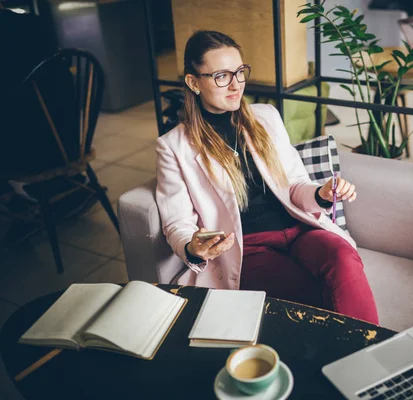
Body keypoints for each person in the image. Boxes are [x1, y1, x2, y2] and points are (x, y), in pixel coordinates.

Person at [155, 30, 379, 324]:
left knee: (343, 258)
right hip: (249, 246)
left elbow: (296, 185)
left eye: (239, 72)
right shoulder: (173, 146)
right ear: (194, 82)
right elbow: (177, 223)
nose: (236, 85)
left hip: (299, 229)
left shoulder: (265, 117)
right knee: (307, 294)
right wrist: (192, 246)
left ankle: (370, 353)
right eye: (221, 75)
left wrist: (320, 193)